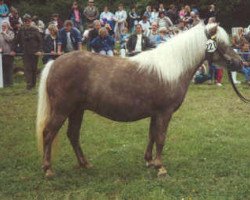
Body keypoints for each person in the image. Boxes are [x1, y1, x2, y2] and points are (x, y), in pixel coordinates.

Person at [12, 14, 43, 90]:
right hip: (25, 53)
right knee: (27, 68)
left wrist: (39, 50)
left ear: (31, 21)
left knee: (34, 69)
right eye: (25, 21)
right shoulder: (21, 30)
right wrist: (13, 50)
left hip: (35, 52)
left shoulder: (35, 30)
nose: (27, 22)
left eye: (28, 20)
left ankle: (33, 84)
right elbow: (16, 41)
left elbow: (40, 41)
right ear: (23, 21)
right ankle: (29, 85)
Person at [0, 21, 14, 87]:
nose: (3, 27)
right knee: (3, 69)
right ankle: (4, 83)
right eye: (2, 26)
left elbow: (10, 40)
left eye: (4, 26)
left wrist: (5, 33)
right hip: (2, 54)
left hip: (9, 54)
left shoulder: (11, 33)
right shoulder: (0, 34)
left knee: (9, 69)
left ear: (8, 27)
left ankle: (10, 83)